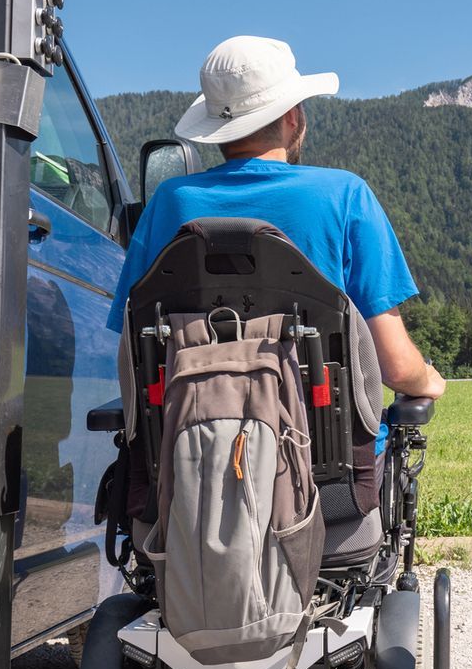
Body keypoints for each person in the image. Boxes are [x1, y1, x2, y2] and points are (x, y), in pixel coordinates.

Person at [109, 35, 446, 410]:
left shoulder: (171, 202)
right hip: (331, 457)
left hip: (186, 449)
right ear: (292, 116)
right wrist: (428, 378)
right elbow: (396, 368)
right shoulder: (345, 195)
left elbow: (130, 345)